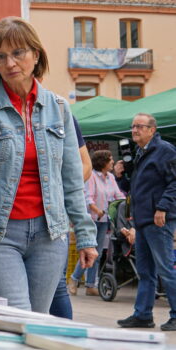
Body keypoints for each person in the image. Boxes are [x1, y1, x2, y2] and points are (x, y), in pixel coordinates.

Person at [0, 17, 97, 312]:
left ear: (36, 55)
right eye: (0, 56)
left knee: (37, 322)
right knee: (15, 317)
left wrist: (85, 236)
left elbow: (71, 179)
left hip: (49, 235)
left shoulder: (59, 108)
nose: (10, 62)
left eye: (18, 53)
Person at [114, 113, 176, 331]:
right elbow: (131, 189)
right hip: (142, 220)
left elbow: (174, 182)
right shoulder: (140, 153)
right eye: (132, 127)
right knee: (146, 271)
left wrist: (163, 208)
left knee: (166, 269)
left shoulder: (165, 150)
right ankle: (143, 315)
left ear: (152, 129)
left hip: (158, 219)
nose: (134, 130)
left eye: (139, 126)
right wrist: (120, 176)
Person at [48, 116, 92, 319]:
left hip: (53, 218)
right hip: (6, 222)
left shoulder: (59, 112)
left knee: (56, 285)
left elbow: (85, 166)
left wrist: (54, 189)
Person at [68, 150, 124, 297]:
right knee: (89, 253)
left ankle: (90, 285)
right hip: (92, 220)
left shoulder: (111, 177)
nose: (113, 162)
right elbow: (88, 198)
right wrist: (97, 210)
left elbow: (118, 195)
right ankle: (74, 280)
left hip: (105, 220)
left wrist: (127, 203)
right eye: (110, 159)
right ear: (103, 162)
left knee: (97, 254)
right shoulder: (92, 176)